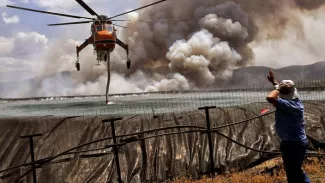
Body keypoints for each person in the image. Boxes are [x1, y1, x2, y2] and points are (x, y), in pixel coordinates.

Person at [266, 69, 310, 183]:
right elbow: (285, 90)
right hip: (297, 141)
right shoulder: (296, 101)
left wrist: (277, 88)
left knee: (294, 172)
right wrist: (274, 82)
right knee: (294, 171)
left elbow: (270, 98)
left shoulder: (287, 105)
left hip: (292, 144)